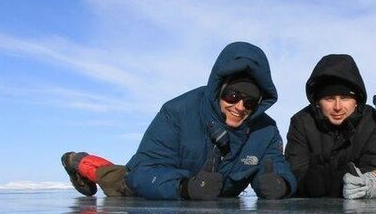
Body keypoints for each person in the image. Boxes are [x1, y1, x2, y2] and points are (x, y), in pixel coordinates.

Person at [61, 41, 296, 200]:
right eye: (232, 96)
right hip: (157, 190)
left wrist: (281, 184)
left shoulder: (265, 130)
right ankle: (76, 161)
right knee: (114, 178)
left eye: (250, 101)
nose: (239, 107)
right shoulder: (177, 112)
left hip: (212, 210)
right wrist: (185, 187)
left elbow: (276, 165)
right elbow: (142, 171)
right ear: (219, 88)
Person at [284, 54, 376, 197]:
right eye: (329, 98)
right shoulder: (301, 122)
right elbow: (296, 172)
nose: (338, 107)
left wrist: (335, 183)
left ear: (356, 100)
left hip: (360, 208)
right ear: (317, 102)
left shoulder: (372, 121)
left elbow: (374, 168)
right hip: (313, 209)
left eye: (345, 98)